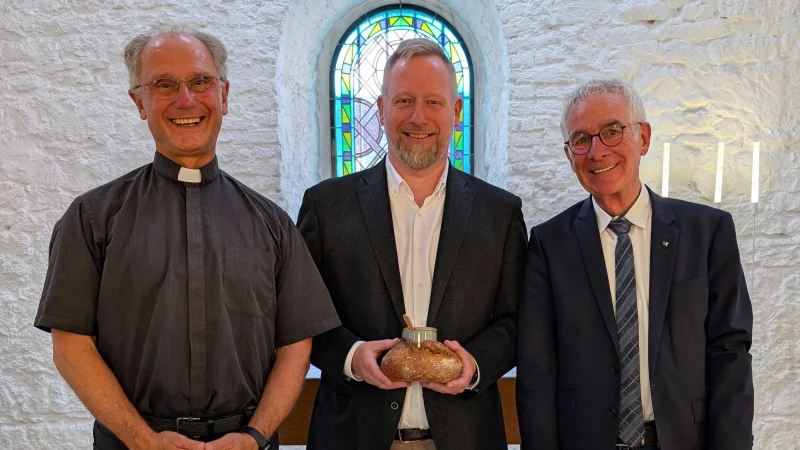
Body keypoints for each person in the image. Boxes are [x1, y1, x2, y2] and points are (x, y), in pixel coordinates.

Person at [34, 27, 340, 450]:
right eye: (164, 85)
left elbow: (295, 344)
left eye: (200, 81)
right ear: (139, 101)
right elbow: (70, 345)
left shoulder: (272, 224)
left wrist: (255, 436)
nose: (185, 100)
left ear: (224, 96)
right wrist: (142, 439)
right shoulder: (92, 218)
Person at [297, 38, 527, 450]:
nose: (419, 117)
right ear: (382, 108)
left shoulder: (500, 213)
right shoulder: (327, 206)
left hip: (465, 437)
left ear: (456, 112)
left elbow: (516, 320)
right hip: (353, 436)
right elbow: (303, 319)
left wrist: (475, 363)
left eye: (434, 102)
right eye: (404, 100)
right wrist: (352, 357)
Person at [516, 78, 754, 450]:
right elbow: (536, 371)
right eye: (581, 139)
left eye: (612, 131)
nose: (596, 151)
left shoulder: (707, 232)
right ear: (569, 154)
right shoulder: (549, 244)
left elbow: (730, 353)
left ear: (642, 138)